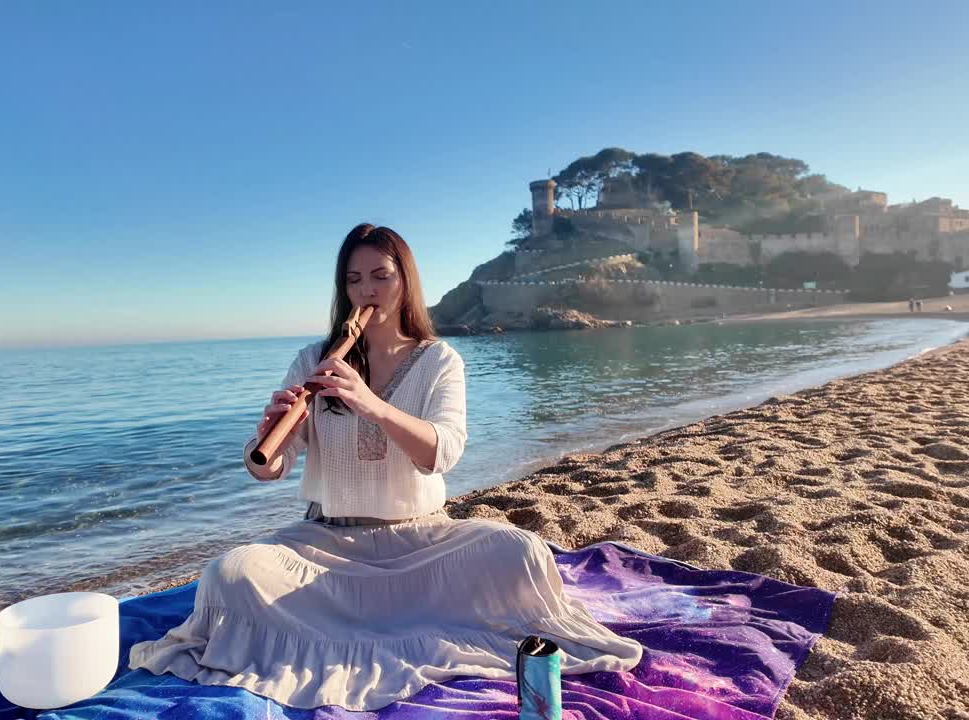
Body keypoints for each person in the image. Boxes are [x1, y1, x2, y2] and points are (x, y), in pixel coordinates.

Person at [128, 224, 642, 710]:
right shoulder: (315, 360)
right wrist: (267, 436)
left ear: (404, 282)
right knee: (229, 574)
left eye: (380, 276)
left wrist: (369, 402)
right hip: (327, 544)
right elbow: (270, 468)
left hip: (420, 542)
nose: (366, 291)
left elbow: (440, 453)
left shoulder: (440, 360)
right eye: (353, 280)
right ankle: (377, 621)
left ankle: (363, 623)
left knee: (522, 551)